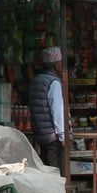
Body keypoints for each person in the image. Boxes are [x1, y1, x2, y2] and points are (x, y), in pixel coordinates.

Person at [29, 46, 69, 176]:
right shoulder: (54, 82)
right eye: (60, 62)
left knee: (47, 169)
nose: (61, 65)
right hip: (53, 137)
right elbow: (57, 111)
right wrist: (63, 136)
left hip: (41, 134)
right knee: (57, 171)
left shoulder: (36, 80)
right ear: (56, 64)